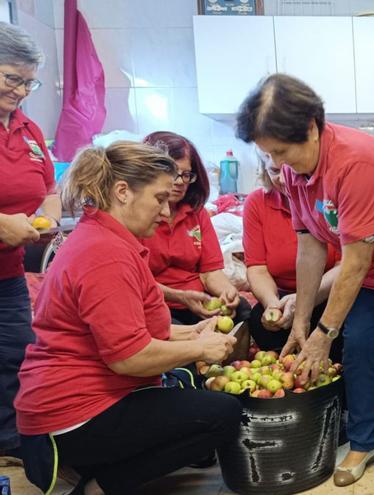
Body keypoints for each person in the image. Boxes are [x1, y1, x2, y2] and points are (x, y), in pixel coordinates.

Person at [236, 73, 374, 495]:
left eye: (280, 151)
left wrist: (323, 334)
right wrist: (303, 320)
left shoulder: (355, 162)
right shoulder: (296, 170)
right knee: (360, 349)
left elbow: (354, 264)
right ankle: (364, 444)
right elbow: (310, 246)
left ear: (311, 127)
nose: (276, 165)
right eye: (268, 154)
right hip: (368, 266)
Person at [14, 141, 241, 494]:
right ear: (122, 192)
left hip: (72, 404)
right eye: (159, 198)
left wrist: (192, 333)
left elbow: (129, 330)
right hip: (71, 417)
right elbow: (128, 357)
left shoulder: (108, 238)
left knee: (192, 396)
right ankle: (99, 485)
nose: (166, 212)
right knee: (221, 415)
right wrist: (201, 350)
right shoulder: (105, 254)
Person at [0, 23, 59, 460]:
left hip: (8, 274)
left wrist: (49, 217)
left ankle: (10, 443)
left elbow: (50, 189)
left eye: (28, 81)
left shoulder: (28, 129)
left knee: (18, 354)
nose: (21, 90)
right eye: (11, 78)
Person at [141, 131, 249, 325]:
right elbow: (136, 283)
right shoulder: (138, 216)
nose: (180, 182)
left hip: (197, 301)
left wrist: (227, 291)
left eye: (186, 175)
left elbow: (210, 271)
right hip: (155, 303)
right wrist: (181, 297)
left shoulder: (196, 213)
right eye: (173, 173)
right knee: (170, 329)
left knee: (242, 309)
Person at [243, 152, 341, 359]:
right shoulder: (257, 203)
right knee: (259, 320)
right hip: (280, 296)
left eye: (289, 169)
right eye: (275, 171)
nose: (283, 178)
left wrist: (303, 301)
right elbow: (257, 268)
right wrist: (273, 305)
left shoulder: (330, 199)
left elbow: (345, 265)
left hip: (327, 292)